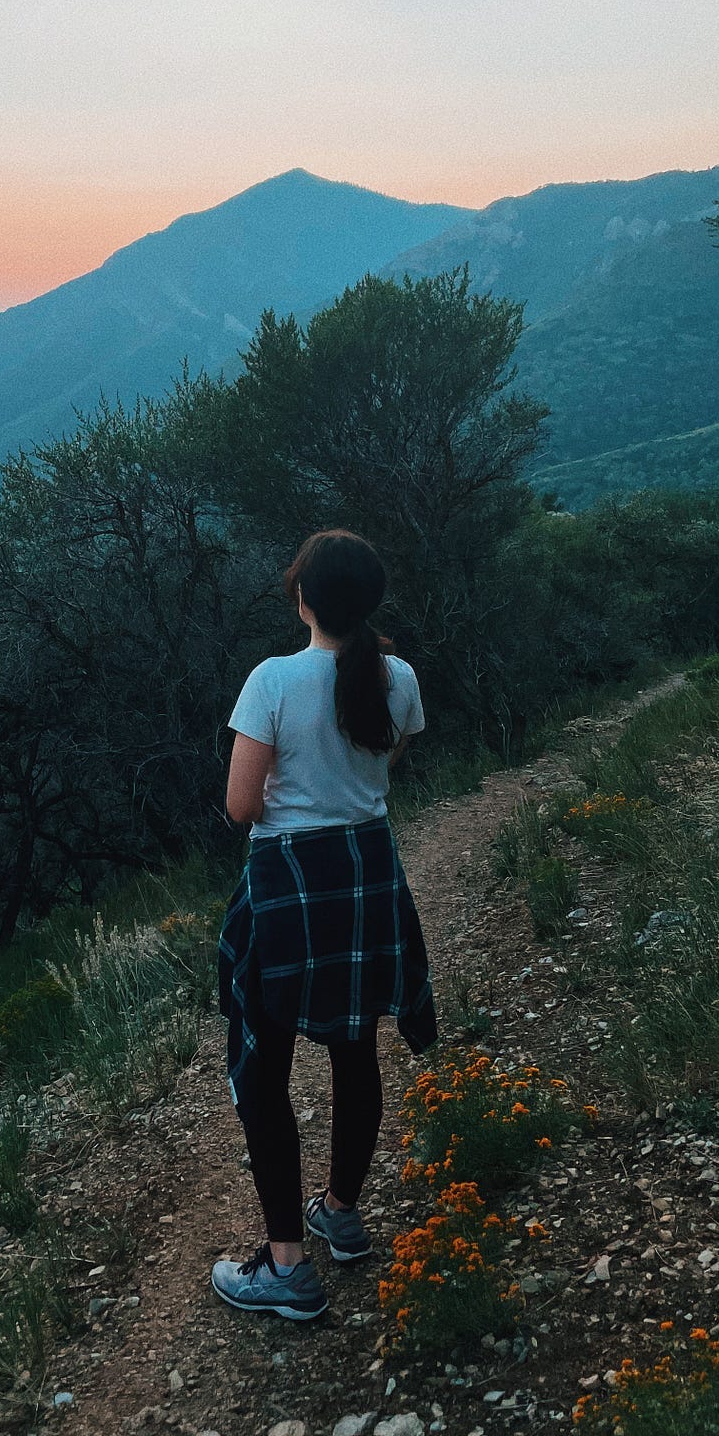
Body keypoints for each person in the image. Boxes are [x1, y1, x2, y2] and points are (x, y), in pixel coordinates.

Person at [211, 528, 436, 1323]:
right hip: (368, 870)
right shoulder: (398, 676)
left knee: (265, 1069)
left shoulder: (271, 681)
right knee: (355, 1046)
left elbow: (242, 808)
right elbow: (386, 761)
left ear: (304, 598)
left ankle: (286, 1268)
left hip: (291, 881)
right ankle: (340, 1209)